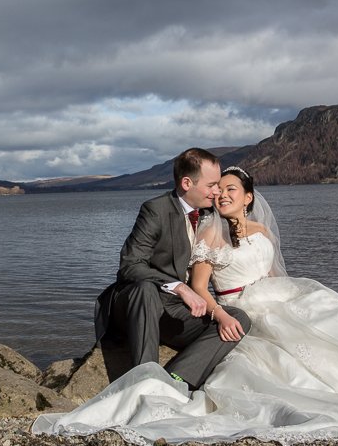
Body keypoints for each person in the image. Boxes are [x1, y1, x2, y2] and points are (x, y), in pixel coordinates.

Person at [33, 166, 338, 446]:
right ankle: (164, 382)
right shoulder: (207, 234)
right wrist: (218, 309)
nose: (221, 194)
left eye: (229, 189)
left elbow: (273, 270)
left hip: (269, 295)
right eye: (217, 188)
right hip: (230, 303)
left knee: (329, 316)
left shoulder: (260, 228)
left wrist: (291, 294)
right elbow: (198, 284)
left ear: (247, 196)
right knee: (264, 341)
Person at [93, 148, 251, 389]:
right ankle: (144, 381)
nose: (217, 192)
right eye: (212, 185)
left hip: (174, 313)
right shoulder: (155, 210)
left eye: (219, 185)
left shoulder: (211, 213)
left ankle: (176, 378)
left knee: (236, 319)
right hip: (136, 306)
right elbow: (130, 265)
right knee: (145, 288)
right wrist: (181, 288)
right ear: (187, 183)